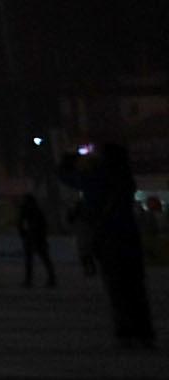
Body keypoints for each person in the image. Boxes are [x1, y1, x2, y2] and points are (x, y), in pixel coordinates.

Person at [70, 141, 154, 349]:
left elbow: (70, 177)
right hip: (128, 240)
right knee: (135, 290)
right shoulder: (124, 179)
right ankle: (143, 331)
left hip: (110, 240)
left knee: (118, 290)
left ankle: (126, 331)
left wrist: (70, 157)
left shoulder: (99, 179)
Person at [12, 187, 55, 288]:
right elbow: (41, 225)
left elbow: (21, 224)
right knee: (43, 259)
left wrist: (24, 233)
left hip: (33, 237)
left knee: (33, 259)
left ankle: (30, 279)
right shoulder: (34, 210)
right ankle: (49, 278)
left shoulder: (28, 210)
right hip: (35, 237)